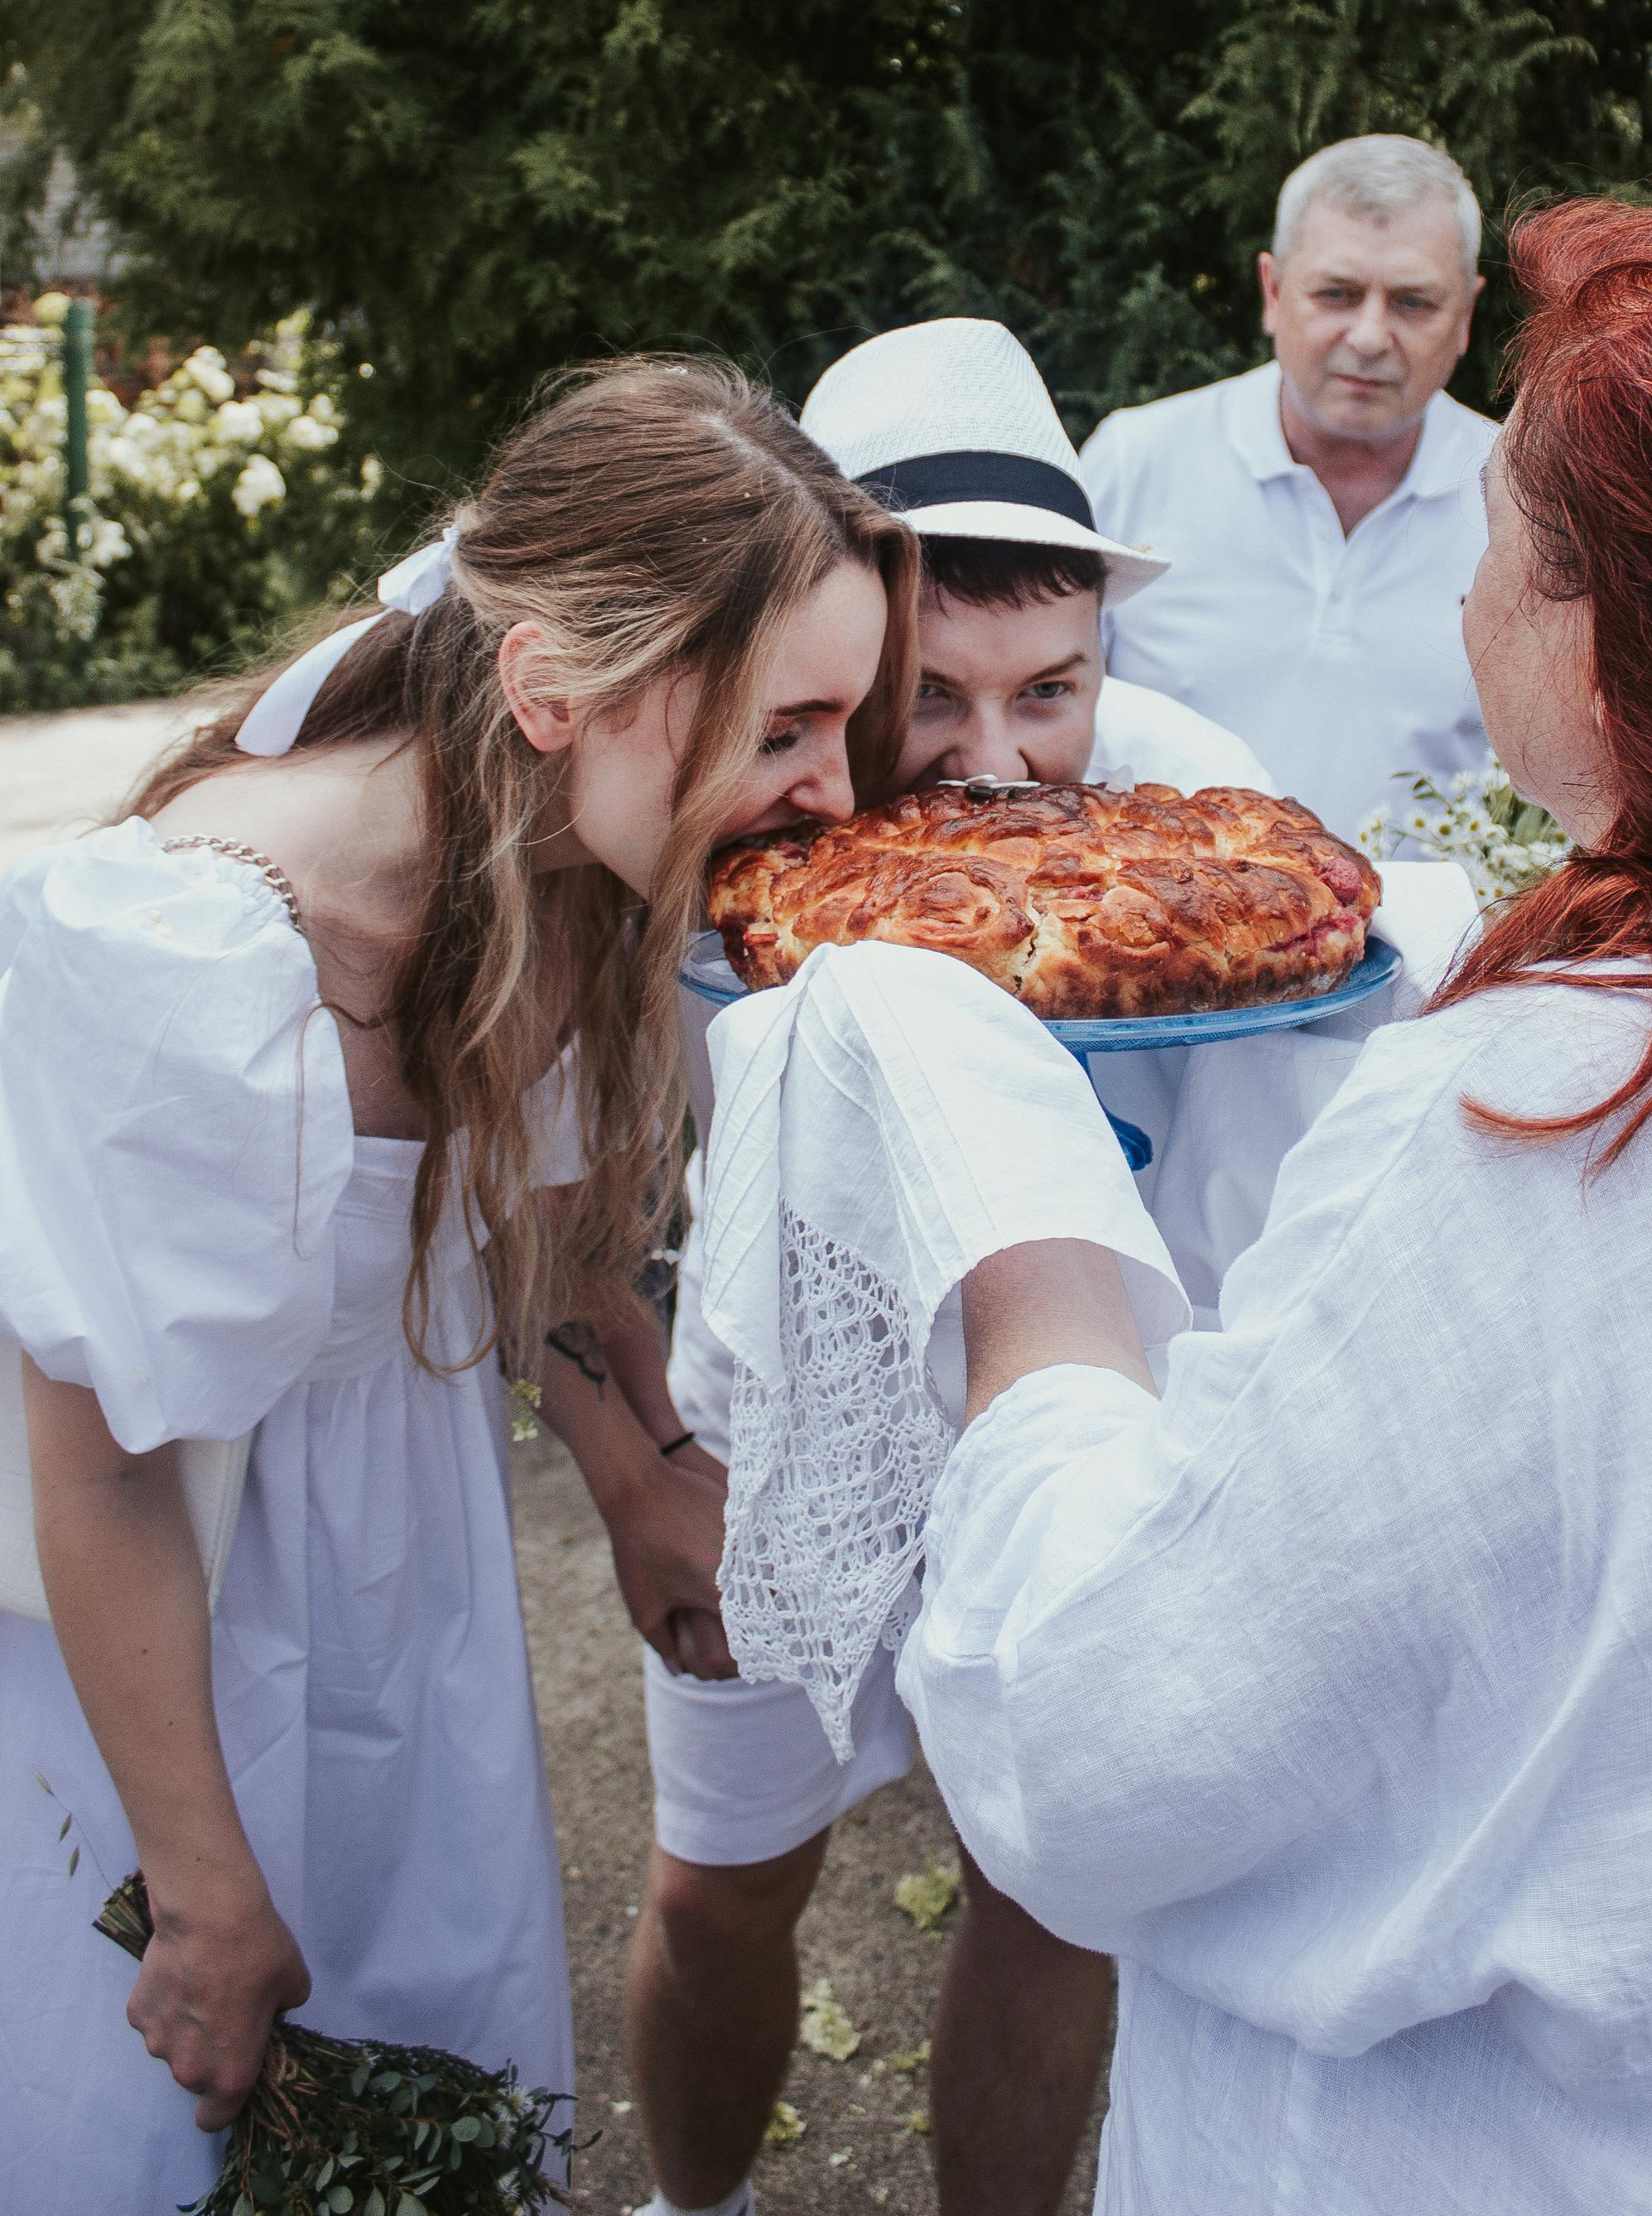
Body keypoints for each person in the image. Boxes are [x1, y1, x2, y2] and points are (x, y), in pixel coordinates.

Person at [897, 201, 1652, 2214]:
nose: (1465, 573)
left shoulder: (1544, 1112)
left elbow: (1099, 1738)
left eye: (1499, 523)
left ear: (1583, 637)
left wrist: (1034, 1275)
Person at [0, 359, 915, 2216]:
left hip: (397, 1601)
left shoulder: (566, 877)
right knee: (129, 2142)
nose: (832, 788)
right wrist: (196, 1893)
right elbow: (102, 1465)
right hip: (138, 1658)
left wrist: (647, 1482)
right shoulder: (193, 960)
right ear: (552, 689)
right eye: (791, 726)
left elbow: (557, 1241)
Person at [624, 317, 1280, 2216]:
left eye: (1051, 689)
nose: (996, 767)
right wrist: (641, 1456)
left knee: (1049, 1885)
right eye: (929, 696)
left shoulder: (1207, 822)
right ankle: (696, 2203)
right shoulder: (713, 810)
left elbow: (1287, 1144)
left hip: (1082, 1406)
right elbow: (575, 1158)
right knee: (718, 1873)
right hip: (779, 1410)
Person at [1080, 132, 1495, 839]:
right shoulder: (1136, 462)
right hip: (1172, 927)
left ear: (1465, 317)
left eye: (1413, 303)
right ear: (1273, 291)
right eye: (1337, 294)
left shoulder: (1524, 501)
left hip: (1455, 945)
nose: (1369, 336)